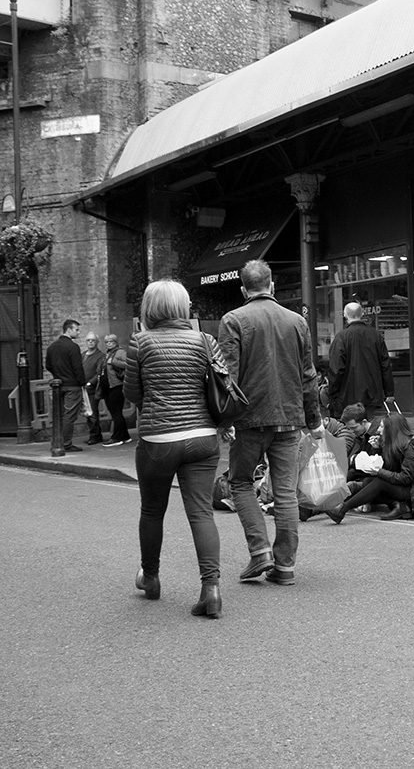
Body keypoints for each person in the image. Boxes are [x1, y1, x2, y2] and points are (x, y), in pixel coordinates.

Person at [124, 279, 224, 619]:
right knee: (201, 512)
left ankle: (150, 578)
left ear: (149, 308)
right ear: (183, 307)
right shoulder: (205, 341)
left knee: (152, 511)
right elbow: (220, 385)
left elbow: (133, 395)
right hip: (203, 438)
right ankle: (211, 589)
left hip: (159, 439)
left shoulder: (140, 342)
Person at [218, 259, 322, 588]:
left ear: (242, 288)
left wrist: (225, 419)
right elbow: (308, 376)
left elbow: (228, 377)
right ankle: (285, 566)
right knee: (286, 493)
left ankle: (260, 551)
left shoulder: (233, 320)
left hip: (249, 419)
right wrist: (314, 420)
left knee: (241, 483)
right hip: (289, 419)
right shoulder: (297, 322)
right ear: (272, 285)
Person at [326, 411, 414, 523]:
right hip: (407, 487)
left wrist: (379, 472)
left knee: (379, 482)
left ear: (391, 430)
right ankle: (399, 505)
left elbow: (405, 478)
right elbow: (390, 469)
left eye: (382, 427)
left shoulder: (413, 447)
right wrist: (378, 448)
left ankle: (341, 510)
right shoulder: (397, 445)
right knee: (368, 481)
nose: (378, 430)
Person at [326, 301, 393, 419]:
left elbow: (336, 369)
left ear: (345, 315)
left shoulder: (342, 337)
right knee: (368, 427)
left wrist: (332, 393)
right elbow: (385, 365)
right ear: (362, 314)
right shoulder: (376, 335)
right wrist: (389, 392)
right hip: (372, 393)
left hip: (347, 395)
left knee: (350, 429)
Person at [45, 319, 86, 452]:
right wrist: (82, 382)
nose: (78, 333)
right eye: (76, 330)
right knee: (69, 416)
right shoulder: (73, 347)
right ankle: (66, 443)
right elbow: (77, 368)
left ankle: (56, 442)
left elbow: (48, 366)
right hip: (72, 386)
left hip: (58, 386)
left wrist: (58, 375)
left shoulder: (52, 347)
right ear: (68, 330)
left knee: (59, 415)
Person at [100, 333, 131, 446]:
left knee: (116, 412)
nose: (109, 344)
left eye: (111, 341)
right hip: (108, 387)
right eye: (107, 342)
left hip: (117, 386)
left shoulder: (120, 352)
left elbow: (128, 364)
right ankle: (125, 436)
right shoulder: (107, 354)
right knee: (115, 412)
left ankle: (117, 438)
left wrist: (114, 362)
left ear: (116, 342)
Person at [81, 332, 104, 445]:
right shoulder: (83, 355)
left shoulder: (100, 356)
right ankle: (95, 434)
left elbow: (99, 372)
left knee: (93, 414)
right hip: (82, 389)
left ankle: (95, 436)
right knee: (87, 413)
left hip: (93, 389)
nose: (90, 342)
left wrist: (90, 383)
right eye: (88, 340)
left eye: (93, 340)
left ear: (97, 342)